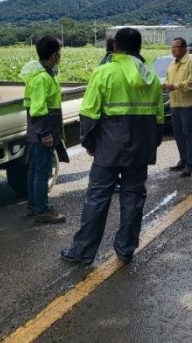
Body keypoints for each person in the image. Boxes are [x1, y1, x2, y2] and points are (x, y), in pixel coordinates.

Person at [60, 27, 164, 265]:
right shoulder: (151, 77)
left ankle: (83, 252)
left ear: (115, 47)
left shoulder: (104, 72)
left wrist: (90, 143)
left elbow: (88, 113)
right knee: (133, 198)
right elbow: (159, 118)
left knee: (97, 197)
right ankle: (126, 249)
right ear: (139, 48)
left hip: (109, 148)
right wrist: (151, 145)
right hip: (140, 149)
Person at [19, 35, 66, 223]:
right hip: (43, 129)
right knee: (42, 171)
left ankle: (33, 205)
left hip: (39, 129)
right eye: (59, 53)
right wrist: (46, 134)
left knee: (35, 169)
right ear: (54, 55)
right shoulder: (41, 78)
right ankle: (42, 209)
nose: (59, 57)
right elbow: (38, 109)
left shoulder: (45, 74)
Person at [162, 37, 192, 177]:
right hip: (175, 104)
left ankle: (190, 164)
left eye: (176, 47)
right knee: (178, 135)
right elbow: (167, 78)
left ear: (184, 48)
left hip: (188, 105)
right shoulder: (172, 64)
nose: (173, 49)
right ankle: (183, 160)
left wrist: (174, 86)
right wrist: (166, 85)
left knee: (188, 135)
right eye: (172, 47)